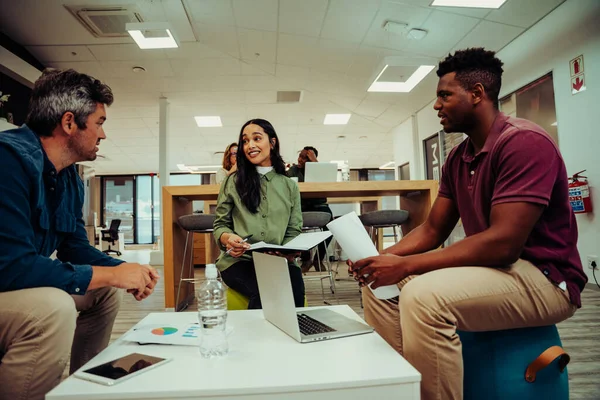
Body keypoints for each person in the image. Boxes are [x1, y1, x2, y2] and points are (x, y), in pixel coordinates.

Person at [350, 48, 587, 400]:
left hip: (547, 279)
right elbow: (432, 230)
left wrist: (404, 265)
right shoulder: (458, 158)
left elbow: (503, 244)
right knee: (380, 289)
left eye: (445, 95)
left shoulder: (523, 142)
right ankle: (403, 388)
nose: (436, 106)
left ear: (476, 94)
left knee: (421, 296)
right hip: (498, 270)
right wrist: (378, 260)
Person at [0, 69, 160, 400]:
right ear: (70, 123)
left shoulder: (70, 177)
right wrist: (111, 274)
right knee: (52, 306)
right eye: (99, 122)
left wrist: (121, 273)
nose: (103, 134)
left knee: (102, 292)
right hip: (7, 280)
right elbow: (12, 267)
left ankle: (84, 390)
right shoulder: (7, 160)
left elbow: (75, 247)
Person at [213, 118, 305, 309]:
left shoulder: (289, 186)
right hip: (239, 261)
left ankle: (289, 339)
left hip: (279, 261)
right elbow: (220, 225)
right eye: (245, 141)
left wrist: (287, 251)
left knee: (295, 296)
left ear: (272, 142)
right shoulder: (232, 182)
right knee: (265, 293)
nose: (250, 145)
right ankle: (252, 339)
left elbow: (293, 229)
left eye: (256, 138)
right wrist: (228, 238)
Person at [287, 146, 333, 272]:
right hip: (301, 206)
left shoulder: (319, 171)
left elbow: (326, 183)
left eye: (305, 158)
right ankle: (306, 258)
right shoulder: (293, 170)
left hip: (320, 206)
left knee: (331, 225)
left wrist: (314, 163)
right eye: (300, 156)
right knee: (294, 225)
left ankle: (318, 258)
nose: (300, 160)